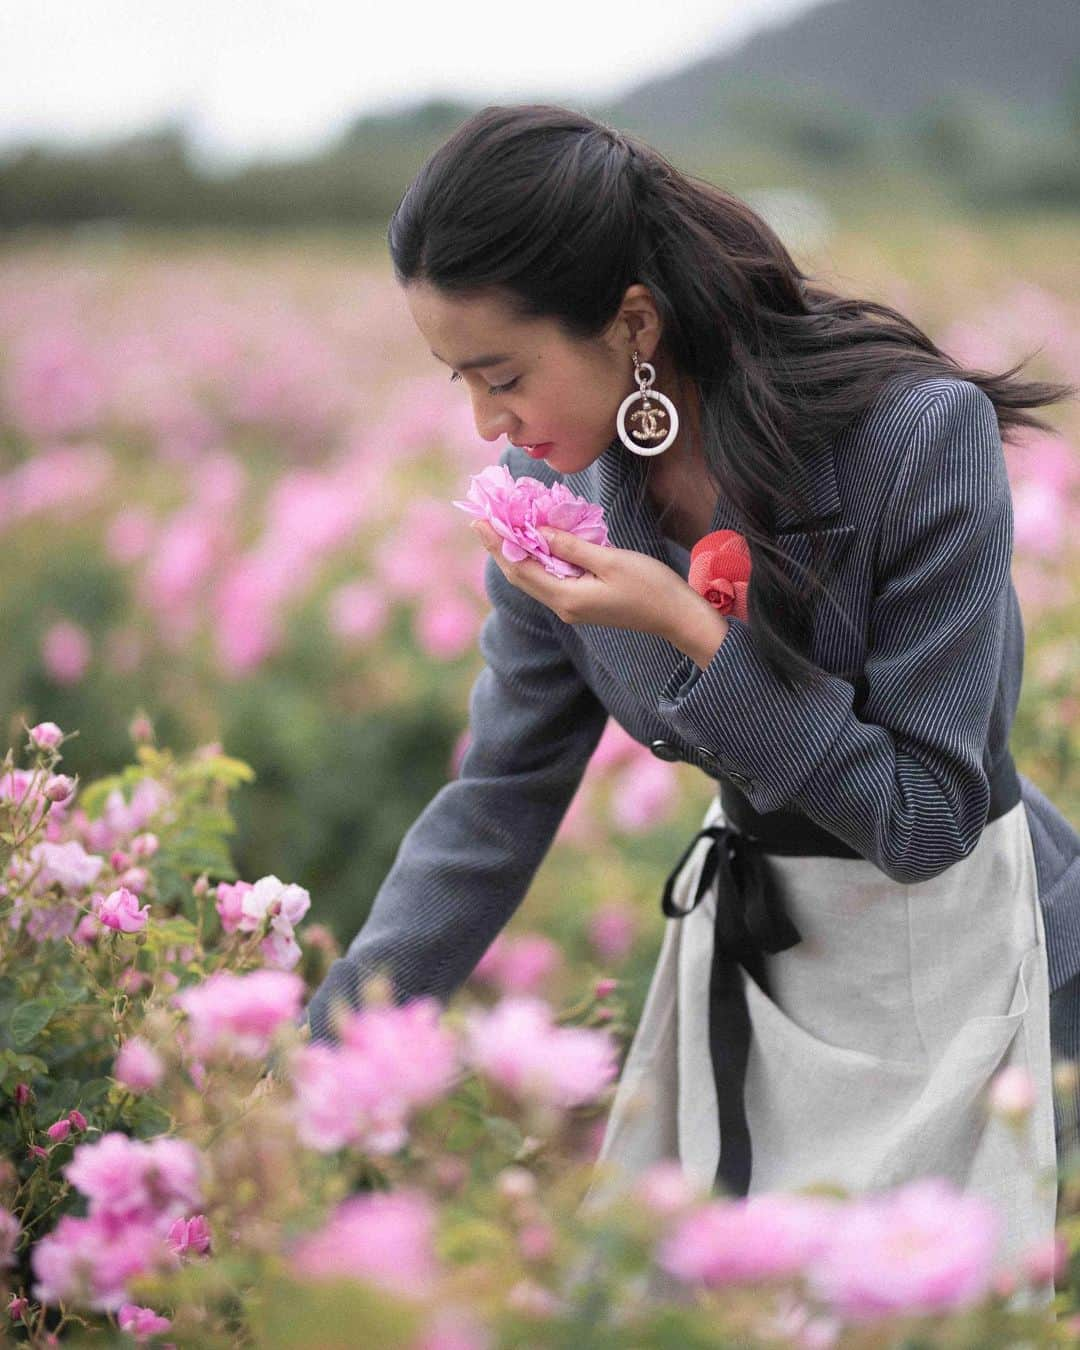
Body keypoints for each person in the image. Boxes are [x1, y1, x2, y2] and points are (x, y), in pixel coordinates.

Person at [302, 103, 1080, 1281]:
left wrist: (691, 635)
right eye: (458, 379)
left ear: (632, 322)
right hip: (766, 956)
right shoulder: (551, 495)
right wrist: (330, 1052)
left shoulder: (915, 439)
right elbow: (499, 796)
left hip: (976, 950)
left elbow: (929, 820)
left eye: (504, 374)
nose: (487, 423)